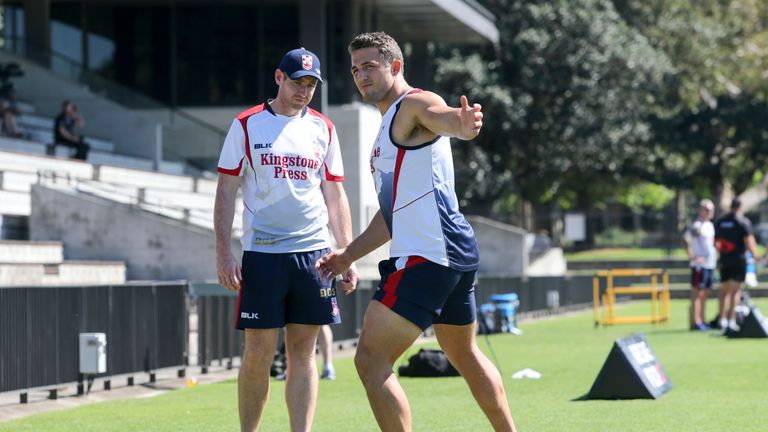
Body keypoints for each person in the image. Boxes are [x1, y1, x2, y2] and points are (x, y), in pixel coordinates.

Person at [316, 32, 517, 432]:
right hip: (451, 252)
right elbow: (391, 216)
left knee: (370, 361)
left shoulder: (413, 105)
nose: (361, 75)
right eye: (355, 69)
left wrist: (462, 125)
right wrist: (347, 256)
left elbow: (443, 117)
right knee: (464, 352)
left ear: (395, 66)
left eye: (370, 66)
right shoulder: (385, 129)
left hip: (429, 256)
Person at [214, 47, 359, 432]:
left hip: (315, 256)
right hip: (262, 255)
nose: (304, 91)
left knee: (304, 353)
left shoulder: (324, 129)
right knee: (258, 353)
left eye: (312, 84)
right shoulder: (246, 125)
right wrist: (224, 253)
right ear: (279, 78)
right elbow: (226, 190)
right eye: (298, 82)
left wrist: (345, 253)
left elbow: (335, 194)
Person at [714, 198, 760, 335]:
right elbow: (749, 240)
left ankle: (722, 319)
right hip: (738, 260)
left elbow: (716, 241)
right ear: (740, 207)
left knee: (723, 290)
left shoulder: (721, 221)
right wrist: (756, 255)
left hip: (724, 259)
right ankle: (731, 320)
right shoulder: (742, 222)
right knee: (735, 291)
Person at [683, 199, 716, 331]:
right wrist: (692, 256)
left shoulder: (710, 225)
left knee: (705, 293)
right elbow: (686, 238)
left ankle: (702, 319)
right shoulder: (697, 225)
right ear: (701, 210)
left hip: (710, 264)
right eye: (707, 209)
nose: (710, 212)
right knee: (697, 293)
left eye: (711, 209)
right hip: (699, 265)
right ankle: (695, 321)